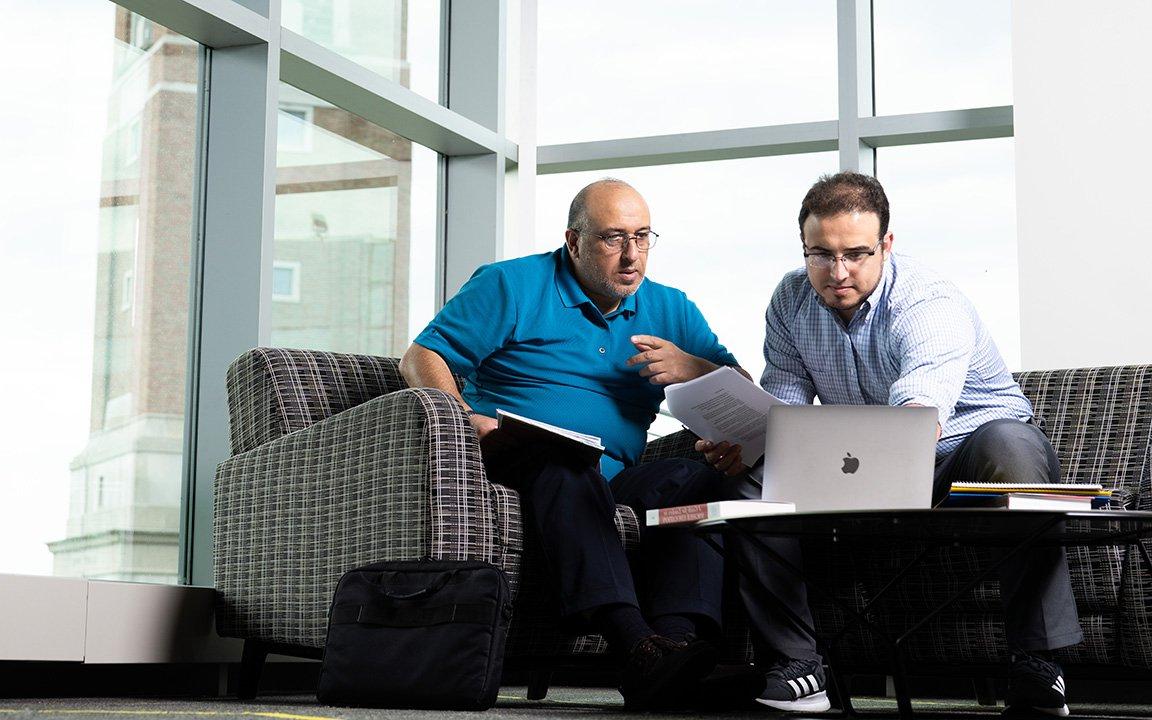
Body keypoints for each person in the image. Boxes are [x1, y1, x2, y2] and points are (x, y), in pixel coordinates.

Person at [699, 171, 1082, 717]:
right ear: (803, 247)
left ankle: (1039, 665)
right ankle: (798, 665)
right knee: (750, 482)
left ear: (887, 245)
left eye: (855, 254)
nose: (837, 273)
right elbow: (780, 414)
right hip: (860, 455)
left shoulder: (930, 304)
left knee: (1010, 448)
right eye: (820, 255)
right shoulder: (789, 301)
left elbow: (918, 418)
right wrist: (748, 443)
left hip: (963, 450)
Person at [399, 178, 744, 710]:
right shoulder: (511, 284)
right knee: (565, 463)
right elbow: (421, 357)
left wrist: (693, 367)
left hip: (617, 475)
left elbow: (740, 389)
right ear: (574, 241)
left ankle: (676, 650)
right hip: (520, 459)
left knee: (695, 483)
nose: (632, 256)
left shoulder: (672, 308)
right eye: (613, 238)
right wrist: (465, 419)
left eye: (642, 237)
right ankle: (635, 645)